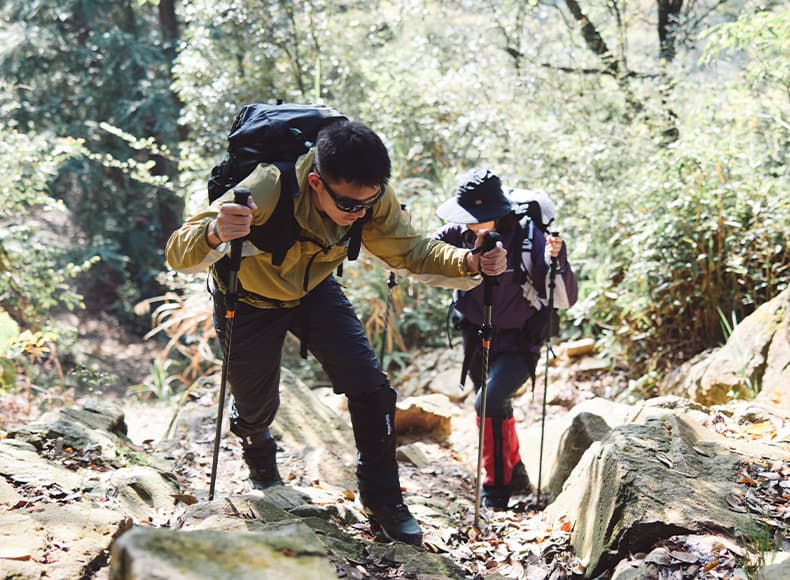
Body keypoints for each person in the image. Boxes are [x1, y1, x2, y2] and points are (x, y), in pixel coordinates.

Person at [165, 120, 507, 545]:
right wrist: (216, 231)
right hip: (249, 297)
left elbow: (412, 251)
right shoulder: (266, 188)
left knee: (371, 386)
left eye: (369, 202)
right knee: (255, 404)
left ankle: (384, 501)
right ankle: (258, 447)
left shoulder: (368, 195)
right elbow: (178, 250)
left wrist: (470, 263)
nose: (361, 213)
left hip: (313, 290)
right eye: (349, 206)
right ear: (315, 182)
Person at [434, 167, 578, 510]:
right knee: (495, 405)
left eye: (481, 218)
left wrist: (560, 259)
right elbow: (423, 256)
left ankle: (495, 489)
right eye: (469, 217)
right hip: (475, 335)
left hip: (519, 341)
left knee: (487, 401)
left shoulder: (528, 237)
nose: (474, 224)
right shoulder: (456, 234)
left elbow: (564, 298)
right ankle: (515, 473)